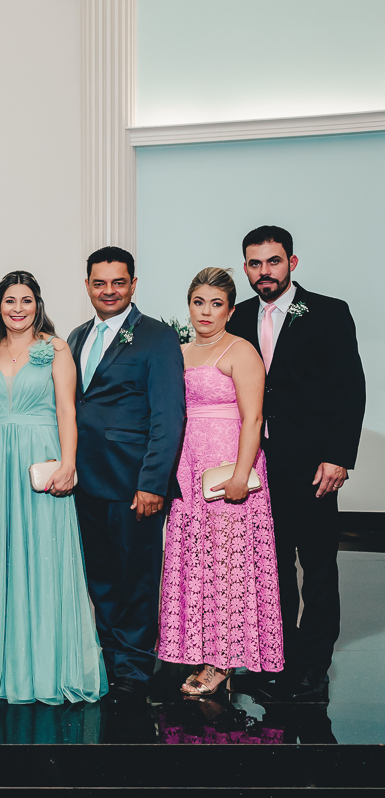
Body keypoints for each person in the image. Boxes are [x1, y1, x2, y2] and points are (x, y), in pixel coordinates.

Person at [0, 271, 106, 704]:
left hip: (40, 458)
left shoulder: (55, 349)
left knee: (42, 556)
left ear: (39, 305)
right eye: (10, 300)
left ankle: (44, 667)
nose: (18, 308)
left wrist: (69, 464)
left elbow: (68, 411)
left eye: (27, 300)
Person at [227, 226, 365, 702]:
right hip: (259, 465)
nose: (264, 271)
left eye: (273, 261)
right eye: (254, 263)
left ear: (292, 262)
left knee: (319, 567)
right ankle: (279, 658)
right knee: (272, 566)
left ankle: (314, 666)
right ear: (244, 267)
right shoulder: (238, 316)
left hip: (312, 465)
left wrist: (338, 457)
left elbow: (350, 388)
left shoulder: (328, 312)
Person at [67, 246, 185, 703]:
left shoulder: (155, 337)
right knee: (98, 576)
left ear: (133, 284)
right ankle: (110, 657)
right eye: (100, 282)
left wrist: (153, 482)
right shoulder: (76, 337)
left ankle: (134, 667)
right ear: (88, 285)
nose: (109, 291)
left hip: (134, 482)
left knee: (136, 577)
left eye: (119, 282)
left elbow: (169, 417)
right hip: (85, 483)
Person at [158, 267, 283, 696]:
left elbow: (254, 419)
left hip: (229, 470)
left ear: (230, 310)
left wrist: (238, 476)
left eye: (216, 304)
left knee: (229, 566)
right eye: (198, 302)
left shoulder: (241, 351)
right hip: (187, 471)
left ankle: (222, 661)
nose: (206, 312)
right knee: (196, 562)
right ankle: (197, 648)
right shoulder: (179, 351)